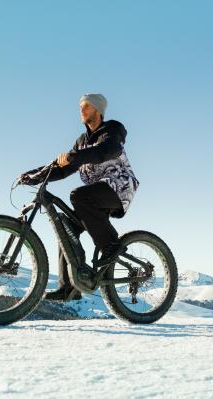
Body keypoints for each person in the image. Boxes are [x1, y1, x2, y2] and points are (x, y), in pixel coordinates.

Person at [18, 93, 139, 301]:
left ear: (98, 110)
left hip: (119, 188)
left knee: (78, 195)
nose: (81, 110)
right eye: (80, 107)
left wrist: (75, 157)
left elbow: (105, 151)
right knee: (66, 229)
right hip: (95, 197)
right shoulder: (81, 141)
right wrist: (33, 176)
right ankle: (70, 288)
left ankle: (111, 245)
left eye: (87, 107)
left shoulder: (112, 131)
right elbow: (63, 169)